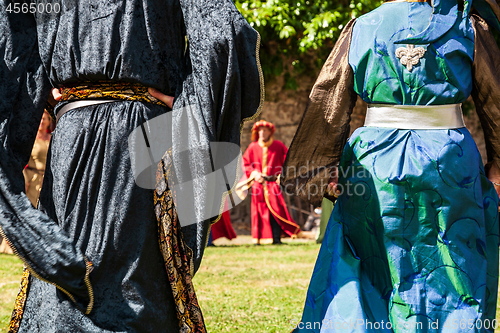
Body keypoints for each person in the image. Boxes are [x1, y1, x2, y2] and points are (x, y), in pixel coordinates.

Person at [0, 1, 263, 332]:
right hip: (143, 134)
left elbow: (10, 58)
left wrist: (59, 94)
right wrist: (190, 106)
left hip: (72, 136)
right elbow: (223, 35)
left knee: (64, 304)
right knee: (134, 291)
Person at [280, 0, 500, 331]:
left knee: (367, 266)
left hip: (374, 164)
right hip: (449, 165)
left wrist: (318, 169)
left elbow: (329, 99)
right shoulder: (466, 25)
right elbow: (495, 101)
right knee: (451, 264)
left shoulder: (362, 27)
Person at [242, 120, 300, 245]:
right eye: (260, 131)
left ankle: (276, 238)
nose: (262, 133)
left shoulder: (278, 146)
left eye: (265, 130)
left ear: (270, 132)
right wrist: (254, 174)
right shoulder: (252, 147)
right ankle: (258, 239)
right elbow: (246, 164)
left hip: (273, 184)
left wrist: (282, 176)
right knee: (258, 212)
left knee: (276, 210)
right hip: (258, 184)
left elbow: (288, 161)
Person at [23, 110, 53, 207]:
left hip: (47, 179)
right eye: (40, 118)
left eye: (44, 119)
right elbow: (23, 159)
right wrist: (25, 179)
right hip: (31, 179)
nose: (42, 121)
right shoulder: (31, 138)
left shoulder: (52, 138)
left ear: (49, 121)